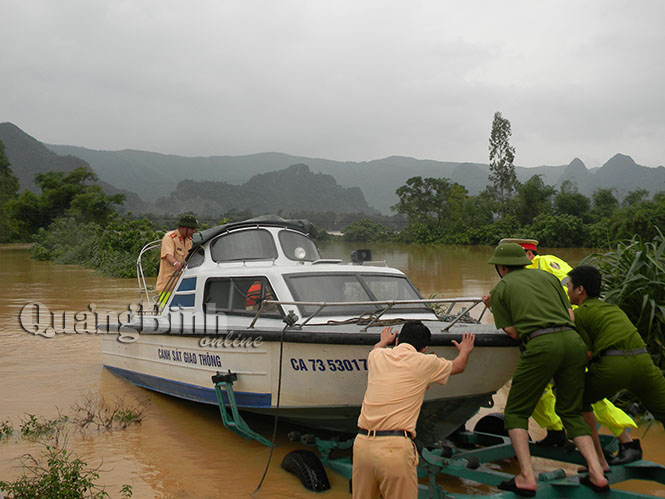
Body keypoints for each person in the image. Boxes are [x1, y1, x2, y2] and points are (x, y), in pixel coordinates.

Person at [482, 242, 608, 496]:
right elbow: (569, 312)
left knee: (516, 412)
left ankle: (527, 477)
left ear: (502, 267)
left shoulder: (502, 288)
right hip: (573, 343)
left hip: (542, 345)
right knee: (571, 411)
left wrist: (493, 305)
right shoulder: (549, 277)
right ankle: (596, 471)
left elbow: (514, 333)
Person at [500, 238, 637, 449]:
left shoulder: (546, 263)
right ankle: (555, 430)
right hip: (549, 335)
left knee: (582, 390)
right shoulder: (520, 276)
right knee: (536, 389)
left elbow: (574, 291)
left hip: (571, 329)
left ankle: (625, 438)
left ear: (529, 254)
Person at [352, 322, 475, 499]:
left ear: (397, 341)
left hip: (362, 445)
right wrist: (465, 350)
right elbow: (458, 367)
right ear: (424, 349)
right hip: (394, 450)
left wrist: (383, 340)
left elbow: (375, 349)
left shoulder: (377, 356)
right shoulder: (425, 362)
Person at [567, 265, 665, 468]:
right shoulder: (612, 308)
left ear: (580, 289)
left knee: (575, 401)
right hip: (644, 362)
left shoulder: (582, 314)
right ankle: (625, 449)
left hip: (614, 367)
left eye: (569, 285)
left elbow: (586, 353)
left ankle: (597, 462)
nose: (567, 289)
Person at [155, 213, 198, 304]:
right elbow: (168, 255)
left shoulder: (189, 240)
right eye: (192, 229)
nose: (194, 231)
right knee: (165, 311)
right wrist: (175, 264)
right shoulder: (169, 238)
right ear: (184, 227)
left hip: (183, 284)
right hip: (168, 285)